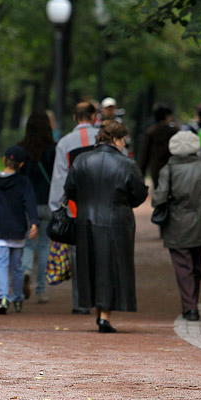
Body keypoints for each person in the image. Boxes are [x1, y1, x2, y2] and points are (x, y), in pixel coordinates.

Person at [65, 120, 148, 333]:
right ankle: (104, 316)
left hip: (86, 221)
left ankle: (98, 312)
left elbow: (70, 189)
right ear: (117, 139)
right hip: (117, 222)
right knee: (111, 268)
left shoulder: (81, 160)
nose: (124, 145)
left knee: (91, 266)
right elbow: (138, 195)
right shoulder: (127, 164)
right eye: (123, 140)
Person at [48, 101, 99, 315]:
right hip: (102, 204)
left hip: (75, 207)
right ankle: (101, 299)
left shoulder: (66, 143)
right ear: (95, 117)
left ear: (75, 118)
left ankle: (81, 302)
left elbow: (60, 176)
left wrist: (55, 207)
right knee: (100, 253)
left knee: (79, 254)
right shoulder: (103, 138)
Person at [151, 131, 201, 322]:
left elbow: (159, 197)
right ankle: (193, 300)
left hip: (176, 224)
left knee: (183, 266)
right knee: (197, 264)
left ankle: (190, 307)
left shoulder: (169, 170)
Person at [0, 145, 38, 314]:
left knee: (0, 264)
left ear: (3, 160)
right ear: (21, 165)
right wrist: (34, 223)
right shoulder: (23, 182)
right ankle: (17, 298)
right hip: (17, 230)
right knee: (17, 266)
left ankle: (3, 297)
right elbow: (30, 203)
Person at [18, 111, 56, 304]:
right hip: (48, 203)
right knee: (44, 247)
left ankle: (25, 271)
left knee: (28, 244)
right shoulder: (53, 149)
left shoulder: (20, 149)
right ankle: (41, 290)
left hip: (27, 205)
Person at [138, 105, 177, 189]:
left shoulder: (151, 132)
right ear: (166, 116)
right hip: (172, 168)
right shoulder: (174, 132)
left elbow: (145, 154)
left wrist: (141, 173)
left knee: (158, 192)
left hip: (156, 168)